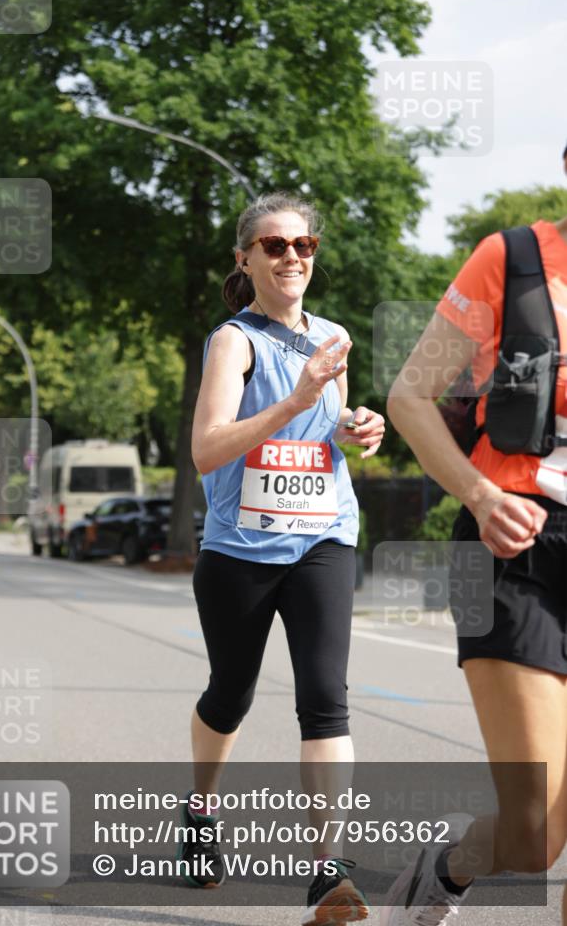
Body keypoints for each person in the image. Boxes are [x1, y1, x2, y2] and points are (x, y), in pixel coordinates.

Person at [180, 192, 385, 925]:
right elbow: (208, 448)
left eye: (304, 245)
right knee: (229, 693)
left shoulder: (331, 336)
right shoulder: (232, 341)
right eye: (273, 245)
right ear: (245, 258)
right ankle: (199, 811)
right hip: (239, 548)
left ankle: (326, 871)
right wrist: (295, 398)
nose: (291, 256)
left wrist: (360, 428)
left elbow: (327, 436)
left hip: (322, 537)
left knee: (325, 699)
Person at [383, 189, 567, 923]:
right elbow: (410, 395)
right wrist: (480, 495)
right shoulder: (512, 259)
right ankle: (446, 867)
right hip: (512, 546)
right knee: (533, 836)